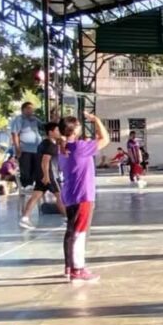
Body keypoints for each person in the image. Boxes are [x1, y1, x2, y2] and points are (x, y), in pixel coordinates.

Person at [59, 112, 109, 283]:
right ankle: (78, 270)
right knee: (80, 233)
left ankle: (69, 266)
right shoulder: (80, 147)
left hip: (70, 195)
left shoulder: (63, 148)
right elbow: (105, 139)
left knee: (72, 230)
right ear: (74, 130)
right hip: (83, 195)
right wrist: (97, 120)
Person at [19, 122, 67, 228]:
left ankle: (24, 218)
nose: (59, 132)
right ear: (50, 132)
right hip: (50, 175)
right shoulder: (50, 145)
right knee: (60, 196)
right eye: (57, 130)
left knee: (36, 196)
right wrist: (46, 176)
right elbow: (45, 161)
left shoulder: (44, 143)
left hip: (41, 174)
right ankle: (67, 218)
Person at [9, 102, 42, 192]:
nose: (31, 110)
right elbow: (15, 133)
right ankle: (26, 186)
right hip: (25, 149)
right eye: (28, 108)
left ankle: (32, 185)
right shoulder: (19, 119)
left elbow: (44, 126)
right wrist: (17, 147)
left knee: (35, 168)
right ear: (23, 109)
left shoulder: (34, 119)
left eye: (32, 109)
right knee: (26, 169)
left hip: (36, 149)